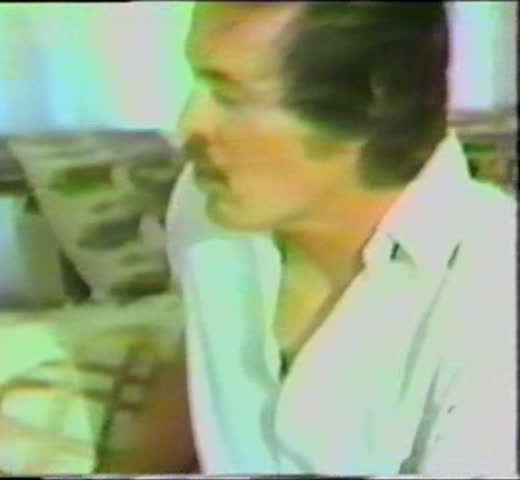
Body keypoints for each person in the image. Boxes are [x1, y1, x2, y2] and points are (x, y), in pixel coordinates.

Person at [97, 2, 516, 475]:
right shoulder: (205, 206)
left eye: (230, 96)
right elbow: (198, 365)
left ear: (369, 107)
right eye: (197, 81)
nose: (186, 127)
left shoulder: (494, 300)